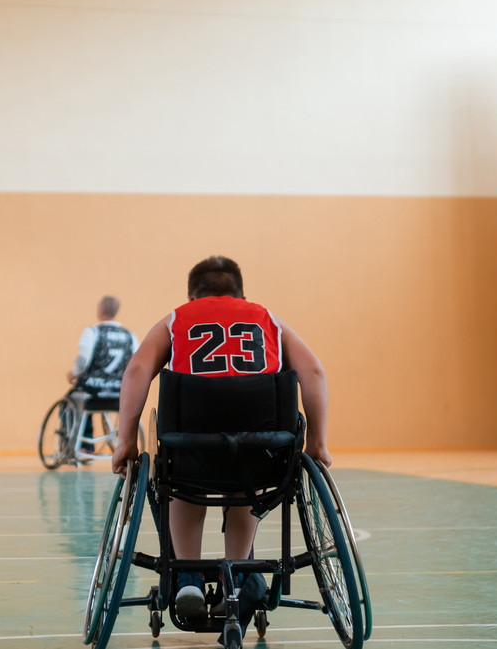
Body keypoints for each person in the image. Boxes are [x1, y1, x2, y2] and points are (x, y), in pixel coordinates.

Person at [110, 256, 331, 620]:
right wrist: (319, 442)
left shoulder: (177, 318)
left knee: (180, 477)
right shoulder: (268, 319)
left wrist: (125, 441)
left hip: (189, 450)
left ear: (191, 295)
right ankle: (240, 574)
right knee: (250, 475)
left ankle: (188, 576)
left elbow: (136, 370)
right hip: (260, 453)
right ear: (241, 294)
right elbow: (314, 371)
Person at [68, 295, 140, 453]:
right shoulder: (130, 336)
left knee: (72, 400)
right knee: (84, 397)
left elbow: (83, 360)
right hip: (119, 393)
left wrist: (73, 374)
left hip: (94, 392)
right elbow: (136, 363)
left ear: (101, 310)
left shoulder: (93, 332)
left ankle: (83, 446)